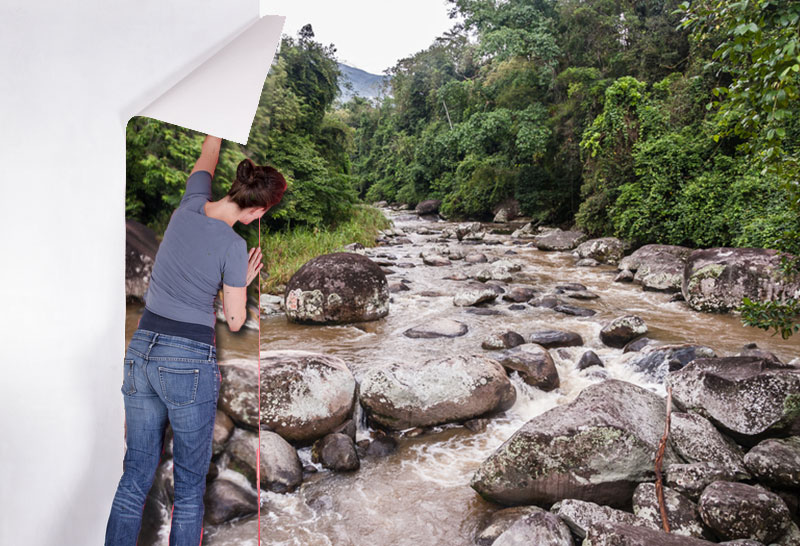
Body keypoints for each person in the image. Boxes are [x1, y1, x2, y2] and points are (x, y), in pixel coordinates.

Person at [106, 135, 286, 545]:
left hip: (141, 350)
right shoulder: (234, 247)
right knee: (189, 491)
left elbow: (207, 157)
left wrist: (217, 127)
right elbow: (236, 320)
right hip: (187, 362)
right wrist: (240, 280)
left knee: (135, 475)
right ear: (257, 209)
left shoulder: (189, 203)